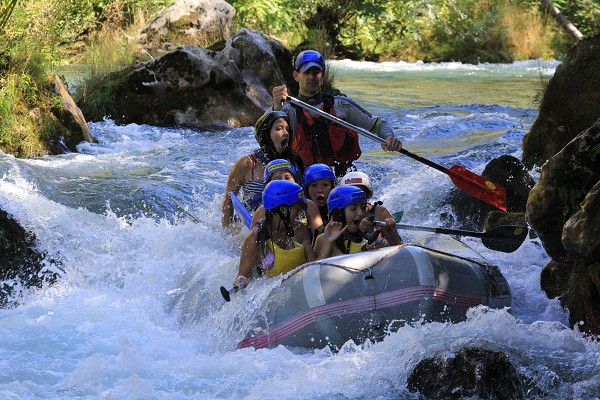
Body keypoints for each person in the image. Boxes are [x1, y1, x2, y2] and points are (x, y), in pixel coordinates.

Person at [272, 49, 403, 177]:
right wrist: (277, 105)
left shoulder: (341, 105)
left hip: (341, 176)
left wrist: (388, 137)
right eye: (307, 72)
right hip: (304, 177)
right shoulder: (287, 110)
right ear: (296, 76)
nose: (312, 77)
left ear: (322, 76)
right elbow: (268, 134)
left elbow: (377, 124)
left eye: (316, 72)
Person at [221, 110, 304, 228]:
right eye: (279, 128)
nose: (285, 133)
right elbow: (229, 199)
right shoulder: (247, 163)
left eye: (287, 129)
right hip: (252, 223)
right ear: (266, 135)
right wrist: (226, 233)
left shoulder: (294, 162)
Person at [233, 180, 315, 288]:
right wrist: (241, 280)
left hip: (299, 286)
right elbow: (242, 274)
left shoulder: (300, 229)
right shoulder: (256, 237)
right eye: (297, 207)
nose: (300, 212)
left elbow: (313, 265)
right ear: (282, 209)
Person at [250, 159, 323, 233]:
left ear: (295, 180)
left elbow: (319, 237)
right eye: (277, 179)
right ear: (268, 186)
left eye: (287, 178)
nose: (284, 181)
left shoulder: (309, 206)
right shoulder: (262, 212)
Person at [340, 171, 403, 246]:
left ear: (368, 195)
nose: (355, 198)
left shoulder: (379, 212)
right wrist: (359, 229)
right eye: (350, 194)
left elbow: (398, 245)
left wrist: (390, 230)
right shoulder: (339, 213)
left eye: (360, 193)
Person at [314, 185, 370, 259]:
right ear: (338, 214)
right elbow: (345, 265)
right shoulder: (324, 239)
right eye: (353, 209)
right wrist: (366, 250)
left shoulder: (363, 235)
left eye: (362, 207)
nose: (360, 213)